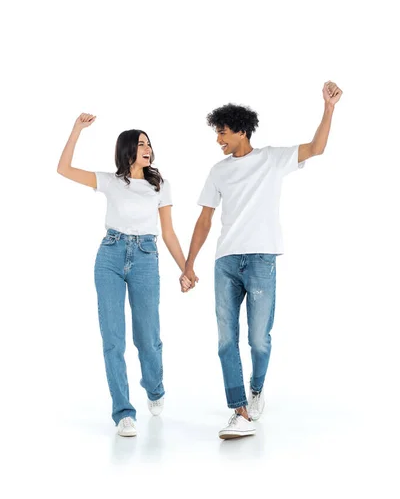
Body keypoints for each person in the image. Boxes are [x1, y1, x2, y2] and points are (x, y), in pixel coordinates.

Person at [180, 81, 343, 439]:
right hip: (225, 261)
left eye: (222, 132)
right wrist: (189, 265)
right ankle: (239, 411)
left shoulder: (271, 158)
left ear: (241, 130)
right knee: (226, 340)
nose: (218, 139)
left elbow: (316, 147)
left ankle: (256, 389)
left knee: (259, 340)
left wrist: (328, 108)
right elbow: (205, 219)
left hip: (261, 260)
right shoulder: (218, 171)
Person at [57, 113, 193, 437]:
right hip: (110, 257)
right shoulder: (111, 181)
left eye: (149, 143)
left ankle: (155, 387)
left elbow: (169, 233)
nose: (147, 148)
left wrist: (186, 268)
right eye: (141, 143)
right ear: (128, 150)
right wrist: (77, 129)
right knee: (113, 339)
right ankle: (123, 413)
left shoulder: (160, 186)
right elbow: (63, 169)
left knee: (148, 339)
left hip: (146, 258)